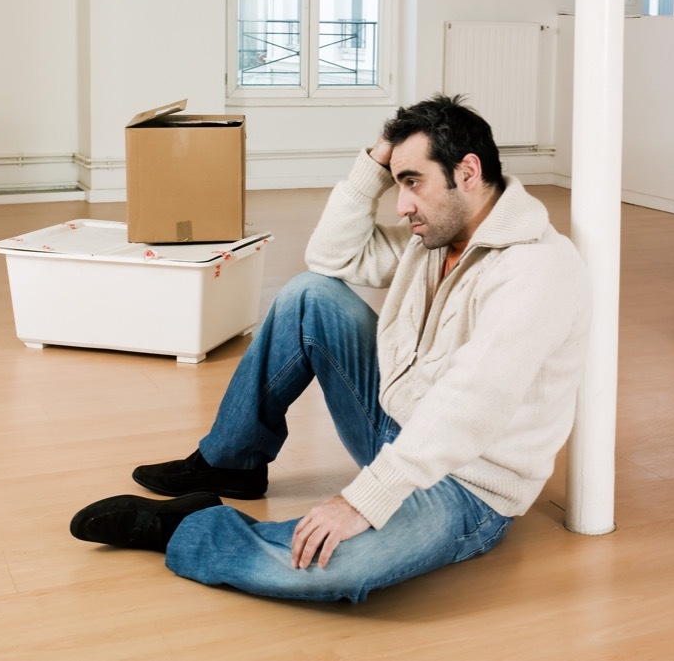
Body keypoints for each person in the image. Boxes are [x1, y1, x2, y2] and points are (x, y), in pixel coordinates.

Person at [70, 93, 590, 603]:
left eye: (412, 182)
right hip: (397, 427)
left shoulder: (537, 269)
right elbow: (328, 258)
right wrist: (375, 163)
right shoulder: (435, 236)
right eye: (397, 183)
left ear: (468, 171)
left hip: (467, 483)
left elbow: (471, 404)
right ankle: (230, 462)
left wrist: (362, 501)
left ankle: (190, 527)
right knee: (309, 294)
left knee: (338, 567)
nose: (401, 204)